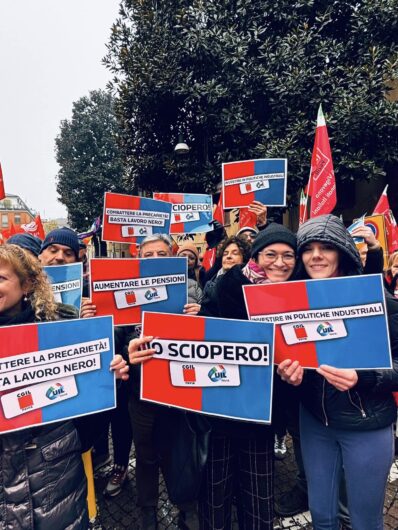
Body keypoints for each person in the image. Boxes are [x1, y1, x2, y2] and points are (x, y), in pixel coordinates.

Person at [278, 214, 398, 530]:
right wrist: (289, 376)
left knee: (364, 520)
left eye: (326, 248)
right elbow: (287, 359)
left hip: (365, 424)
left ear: (341, 252)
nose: (316, 256)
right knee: (322, 516)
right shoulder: (291, 303)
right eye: (308, 249)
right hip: (315, 422)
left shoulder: (378, 299)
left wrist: (364, 377)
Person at [0, 243, 88, 529]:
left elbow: (89, 420)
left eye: (1, 278)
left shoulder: (60, 328)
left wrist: (109, 374)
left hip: (56, 480)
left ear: (26, 285)